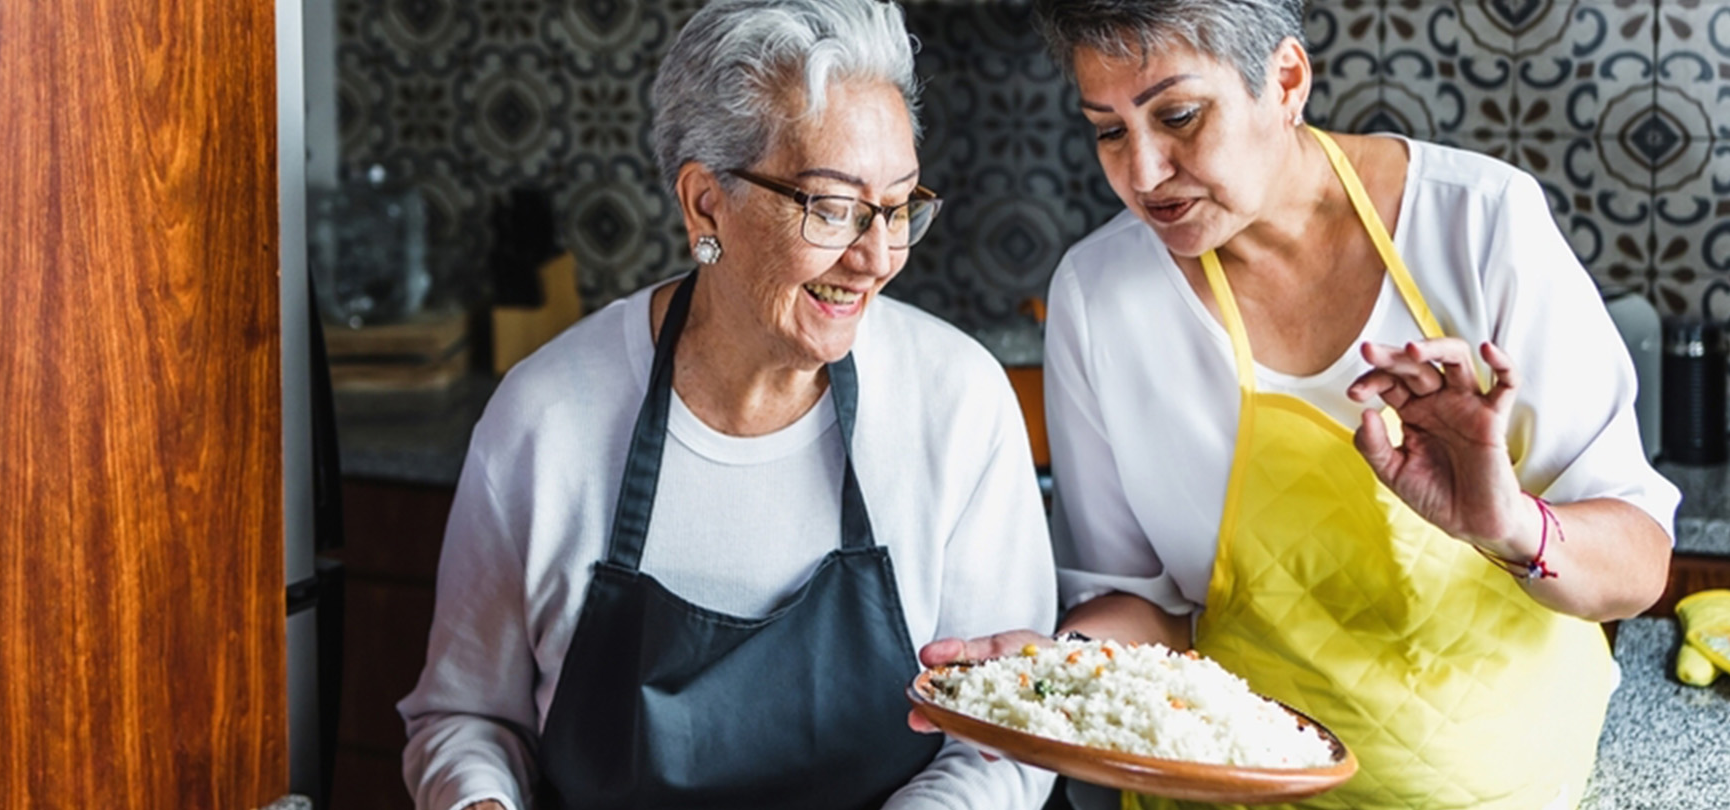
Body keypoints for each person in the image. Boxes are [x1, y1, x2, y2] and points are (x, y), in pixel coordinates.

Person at [916, 1, 1680, 808]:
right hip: (1235, 793)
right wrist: (1054, 668)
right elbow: (1140, 605)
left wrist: (1510, 525)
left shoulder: (1480, 222)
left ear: (1285, 80)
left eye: (1178, 116)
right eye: (1108, 130)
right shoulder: (1100, 296)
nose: (1141, 173)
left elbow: (1637, 565)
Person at [397, 1, 1059, 808]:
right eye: (832, 207)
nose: (878, 257)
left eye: (899, 206)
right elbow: (466, 716)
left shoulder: (958, 403)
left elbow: (1005, 735)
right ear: (706, 204)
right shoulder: (545, 420)